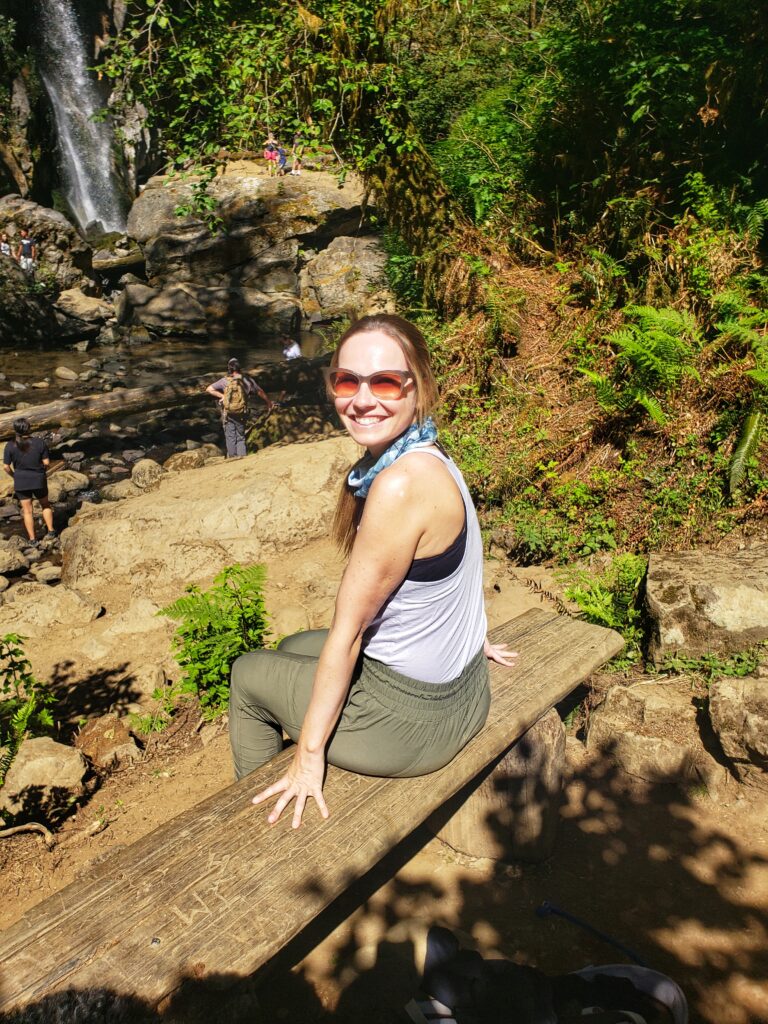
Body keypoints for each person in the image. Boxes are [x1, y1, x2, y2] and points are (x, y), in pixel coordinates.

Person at [228, 314, 517, 828]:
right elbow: (461, 567)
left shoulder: (398, 486)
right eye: (346, 380)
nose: (362, 399)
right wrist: (472, 638)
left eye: (384, 381)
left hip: (415, 726)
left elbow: (350, 631)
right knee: (294, 648)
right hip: (463, 689)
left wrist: (309, 755)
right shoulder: (430, 454)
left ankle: (255, 826)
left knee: (249, 673)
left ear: (419, 387)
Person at [2, 418, 56, 545]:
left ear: (15, 430)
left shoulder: (10, 445)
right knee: (45, 505)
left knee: (27, 511)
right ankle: (51, 531)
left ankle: (32, 539)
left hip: (21, 481)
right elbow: (46, 463)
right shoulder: (39, 442)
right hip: (38, 479)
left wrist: (14, 476)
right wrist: (42, 469)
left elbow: (6, 467)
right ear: (29, 428)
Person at [205, 358, 273, 458]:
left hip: (228, 413)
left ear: (229, 368)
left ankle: (232, 459)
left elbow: (209, 389)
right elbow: (260, 391)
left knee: (230, 437)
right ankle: (242, 459)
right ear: (239, 368)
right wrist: (269, 402)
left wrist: (223, 396)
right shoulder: (246, 380)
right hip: (242, 412)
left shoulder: (224, 381)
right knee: (241, 437)